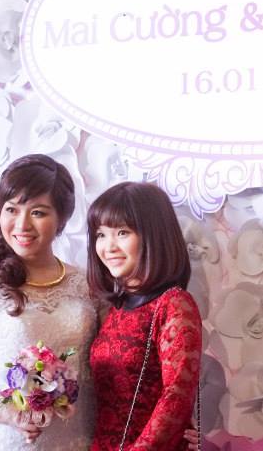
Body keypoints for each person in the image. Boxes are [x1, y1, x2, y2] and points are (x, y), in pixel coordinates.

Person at [0, 154, 100, 449]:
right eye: (11, 209)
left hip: (82, 442)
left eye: (38, 212)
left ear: (62, 218)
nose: (22, 224)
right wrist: (9, 414)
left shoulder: (88, 287)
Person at [87, 182, 202, 451]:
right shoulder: (115, 308)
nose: (108, 246)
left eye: (122, 232)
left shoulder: (174, 304)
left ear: (153, 235)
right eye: (101, 234)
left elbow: (176, 396)